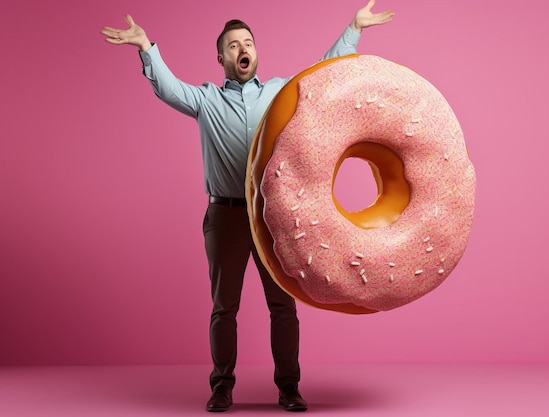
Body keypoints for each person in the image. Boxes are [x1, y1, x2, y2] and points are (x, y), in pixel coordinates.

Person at [101, 1, 393, 412]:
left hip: (271, 215)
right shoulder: (205, 100)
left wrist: (354, 29)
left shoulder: (279, 93)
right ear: (221, 57)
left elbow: (322, 74)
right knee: (225, 308)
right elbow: (167, 88)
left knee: (283, 307)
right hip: (225, 218)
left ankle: (289, 388)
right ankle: (221, 388)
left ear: (255, 52)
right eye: (234, 44)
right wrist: (146, 47)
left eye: (248, 43)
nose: (243, 48)